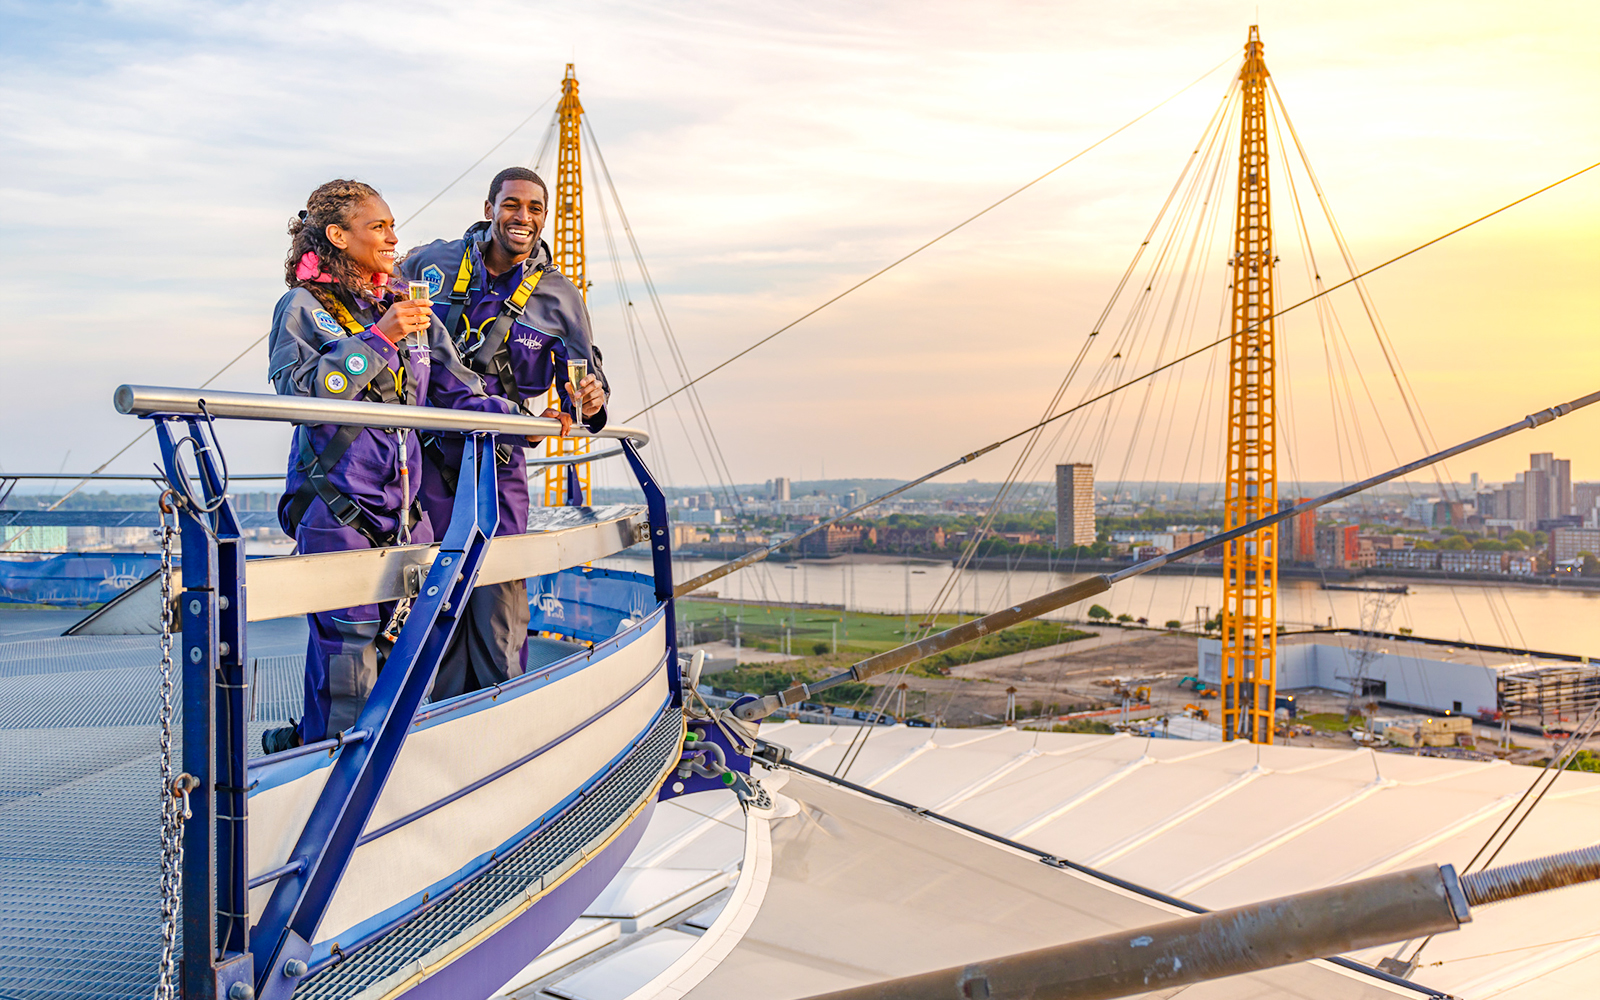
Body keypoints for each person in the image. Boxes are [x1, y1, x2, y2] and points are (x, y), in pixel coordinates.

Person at [262, 179, 517, 754]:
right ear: (337, 235)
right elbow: (301, 394)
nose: (393, 239)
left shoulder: (406, 308)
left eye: (392, 226)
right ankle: (325, 784)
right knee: (347, 664)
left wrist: (531, 416)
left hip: (409, 516)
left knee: (410, 658)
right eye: (379, 227)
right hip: (338, 512)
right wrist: (379, 338)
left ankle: (354, 765)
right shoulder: (302, 309)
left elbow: (457, 392)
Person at [399, 166, 608, 700]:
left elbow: (585, 374)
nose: (523, 217)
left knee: (499, 592)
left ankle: (498, 708)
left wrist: (589, 398)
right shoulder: (433, 263)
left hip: (501, 459)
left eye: (535, 209)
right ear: (490, 206)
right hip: (427, 454)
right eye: (512, 204)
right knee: (434, 586)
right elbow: (380, 310)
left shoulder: (558, 297)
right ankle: (430, 713)